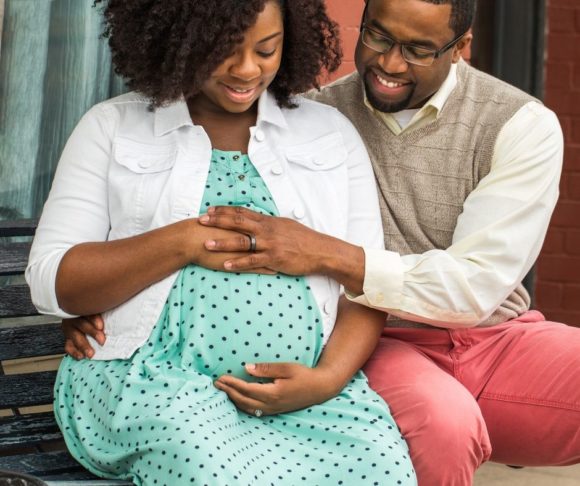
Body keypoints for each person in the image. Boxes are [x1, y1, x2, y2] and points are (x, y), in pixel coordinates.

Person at [26, 1, 418, 485]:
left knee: (380, 463)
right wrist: (185, 242)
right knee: (206, 462)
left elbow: (365, 279)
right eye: (224, 51)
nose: (247, 69)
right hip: (155, 386)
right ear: (179, 39)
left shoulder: (329, 134)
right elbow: (52, 281)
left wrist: (327, 379)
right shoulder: (112, 127)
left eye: (266, 49)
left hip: (309, 396)